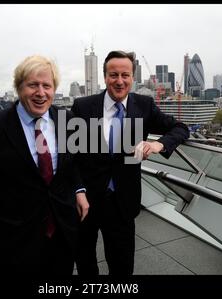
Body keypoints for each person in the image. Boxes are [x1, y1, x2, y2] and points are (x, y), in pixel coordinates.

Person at [0, 55, 89, 276]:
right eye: (33, 85)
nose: (41, 93)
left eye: (47, 85)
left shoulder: (67, 120)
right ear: (18, 87)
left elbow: (72, 164)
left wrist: (79, 190)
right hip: (14, 238)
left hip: (62, 231)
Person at [71, 50, 189, 275]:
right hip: (86, 200)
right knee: (85, 261)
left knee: (122, 267)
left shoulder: (143, 105)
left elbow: (181, 128)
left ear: (132, 77)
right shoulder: (83, 107)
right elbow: (72, 156)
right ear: (104, 77)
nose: (119, 81)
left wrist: (158, 145)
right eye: (113, 75)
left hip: (122, 202)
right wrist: (78, 190)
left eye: (125, 75)